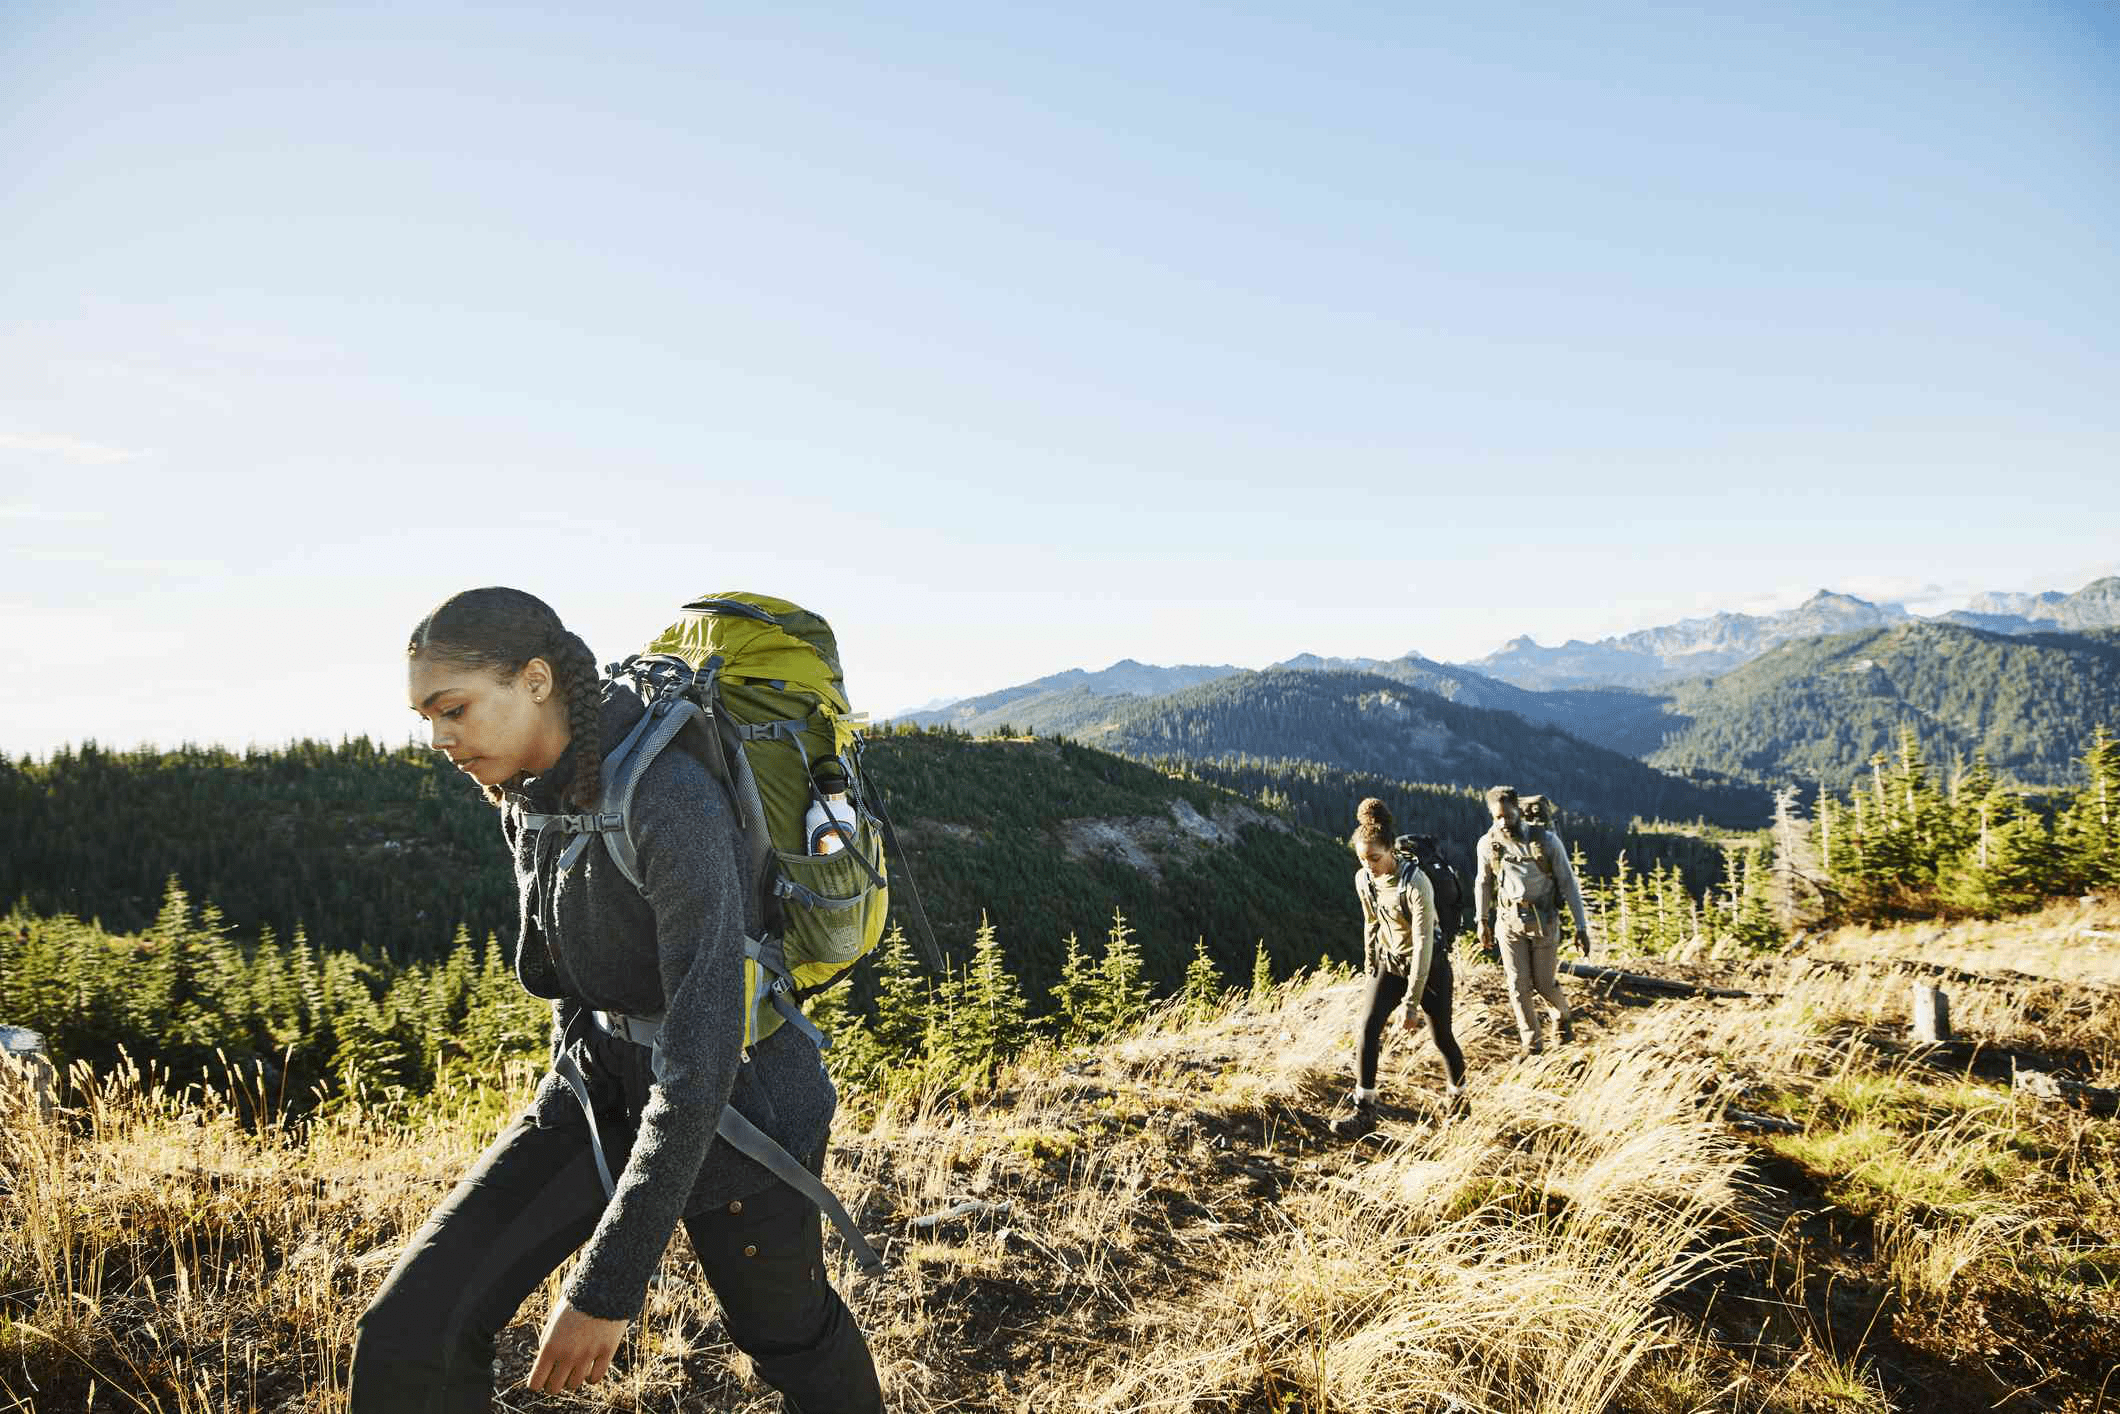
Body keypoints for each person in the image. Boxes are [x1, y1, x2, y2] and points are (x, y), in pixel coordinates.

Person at [352, 587, 882, 1413]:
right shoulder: (530, 794)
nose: (439, 738)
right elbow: (572, 973)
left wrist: (606, 1286)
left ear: (535, 680)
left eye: (453, 709)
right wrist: (563, 1098)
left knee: (790, 1338)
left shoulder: (669, 795)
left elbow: (704, 1054)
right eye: (426, 717)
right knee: (411, 1330)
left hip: (742, 1104)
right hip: (599, 1085)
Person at [1329, 798, 1468, 1139]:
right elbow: (1371, 921)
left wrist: (1411, 1002)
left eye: (1375, 858)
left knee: (1442, 1037)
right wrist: (1369, 963)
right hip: (1389, 963)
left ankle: (1459, 1100)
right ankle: (1364, 1110)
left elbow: (1423, 943)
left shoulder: (1416, 883)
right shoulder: (1364, 879)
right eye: (1363, 859)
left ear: (1391, 850)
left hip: (1429, 967)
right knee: (1367, 1029)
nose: (1369, 865)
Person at [1473, 786, 1593, 1055]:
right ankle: (1532, 1044)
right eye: (1498, 817)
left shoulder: (1547, 842)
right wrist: (1482, 920)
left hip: (1544, 920)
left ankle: (1562, 1016)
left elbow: (1568, 883)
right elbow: (1483, 882)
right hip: (1508, 921)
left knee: (1544, 983)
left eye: (1508, 815)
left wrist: (1581, 927)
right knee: (1517, 985)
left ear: (1518, 810)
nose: (1504, 822)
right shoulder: (1488, 844)